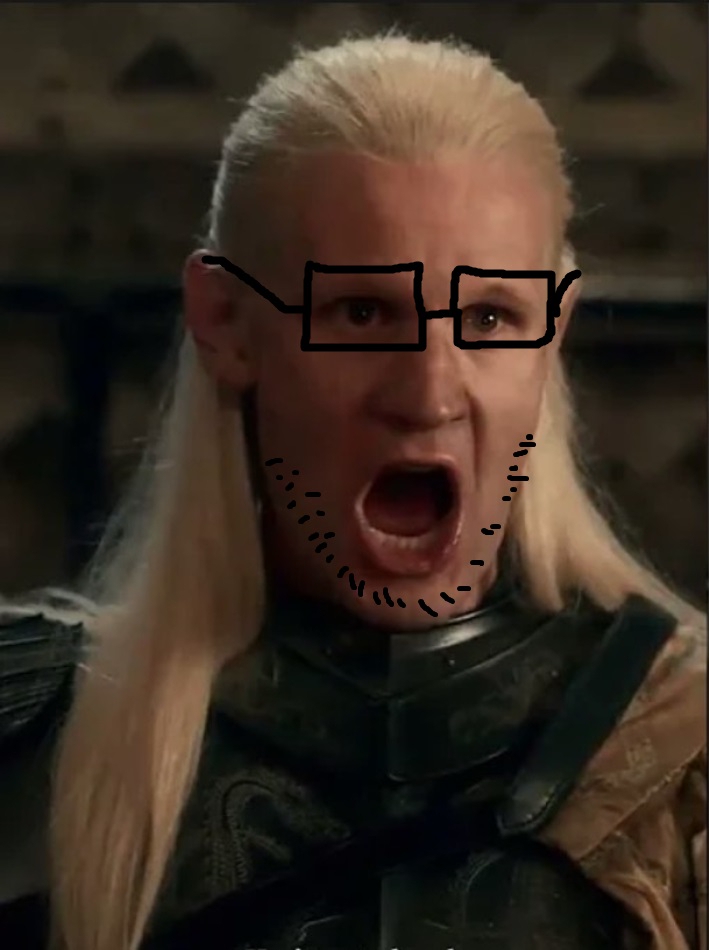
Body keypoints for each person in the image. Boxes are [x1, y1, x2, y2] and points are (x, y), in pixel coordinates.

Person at [0, 30, 705, 950]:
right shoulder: (34, 747)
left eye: (490, 316)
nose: (430, 393)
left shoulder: (680, 755)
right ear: (226, 323)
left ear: (552, 329)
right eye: (362, 312)